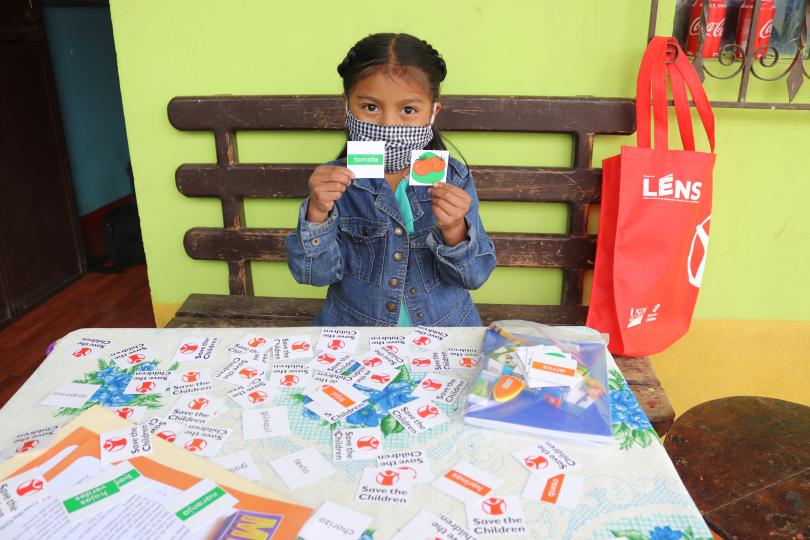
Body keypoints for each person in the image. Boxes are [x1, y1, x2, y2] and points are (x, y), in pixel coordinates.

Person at [286, 33, 496, 327]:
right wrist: (317, 214)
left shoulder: (453, 178)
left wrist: (455, 230)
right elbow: (313, 275)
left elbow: (474, 276)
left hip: (445, 331)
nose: (388, 125)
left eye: (408, 110)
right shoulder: (335, 184)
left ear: (432, 113)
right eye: (370, 107)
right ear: (346, 106)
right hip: (353, 334)